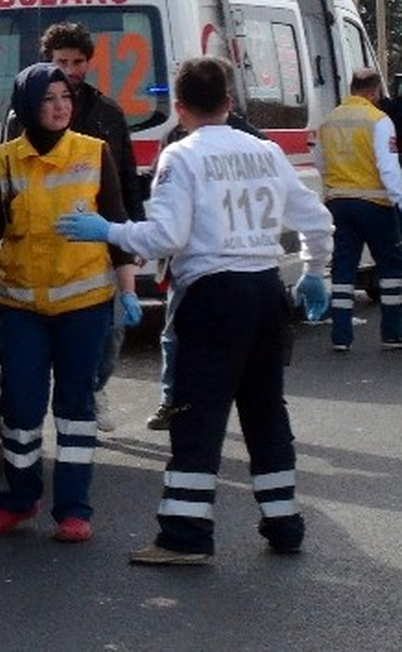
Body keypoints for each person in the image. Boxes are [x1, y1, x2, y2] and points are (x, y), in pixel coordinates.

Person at [57, 55, 334, 564]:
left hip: (212, 294)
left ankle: (185, 535)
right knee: (266, 410)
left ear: (179, 108)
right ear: (229, 102)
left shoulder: (181, 157)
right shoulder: (266, 152)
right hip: (265, 290)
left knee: (195, 415)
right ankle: (284, 522)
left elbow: (166, 236)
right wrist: (316, 271)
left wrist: (109, 231)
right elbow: (315, 217)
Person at [0, 62, 140, 544]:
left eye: (65, 97)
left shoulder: (93, 152)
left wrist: (128, 292)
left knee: (74, 407)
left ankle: (74, 510)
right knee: (18, 407)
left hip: (84, 303)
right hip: (21, 306)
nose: (60, 106)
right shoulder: (4, 160)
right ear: (27, 106)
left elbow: (118, 226)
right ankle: (20, 501)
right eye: (48, 99)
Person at [40, 22, 146, 432]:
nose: (69, 69)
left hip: (106, 237)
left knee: (112, 333)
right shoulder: (29, 111)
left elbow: (126, 179)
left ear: (89, 62)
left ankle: (92, 385)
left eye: (77, 62)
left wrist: (134, 233)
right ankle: (74, 394)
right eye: (61, 61)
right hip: (53, 238)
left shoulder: (107, 113)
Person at [146, 108, 265, 432]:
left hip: (214, 259)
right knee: (175, 334)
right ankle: (173, 401)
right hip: (192, 258)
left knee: (195, 337)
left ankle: (201, 407)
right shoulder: (176, 135)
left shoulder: (247, 137)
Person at [314, 67, 402, 352]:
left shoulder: (327, 122)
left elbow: (320, 163)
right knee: (390, 269)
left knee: (343, 269)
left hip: (338, 203)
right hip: (375, 205)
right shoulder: (379, 120)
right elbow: (389, 169)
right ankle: (392, 332)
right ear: (375, 92)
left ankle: (341, 336)